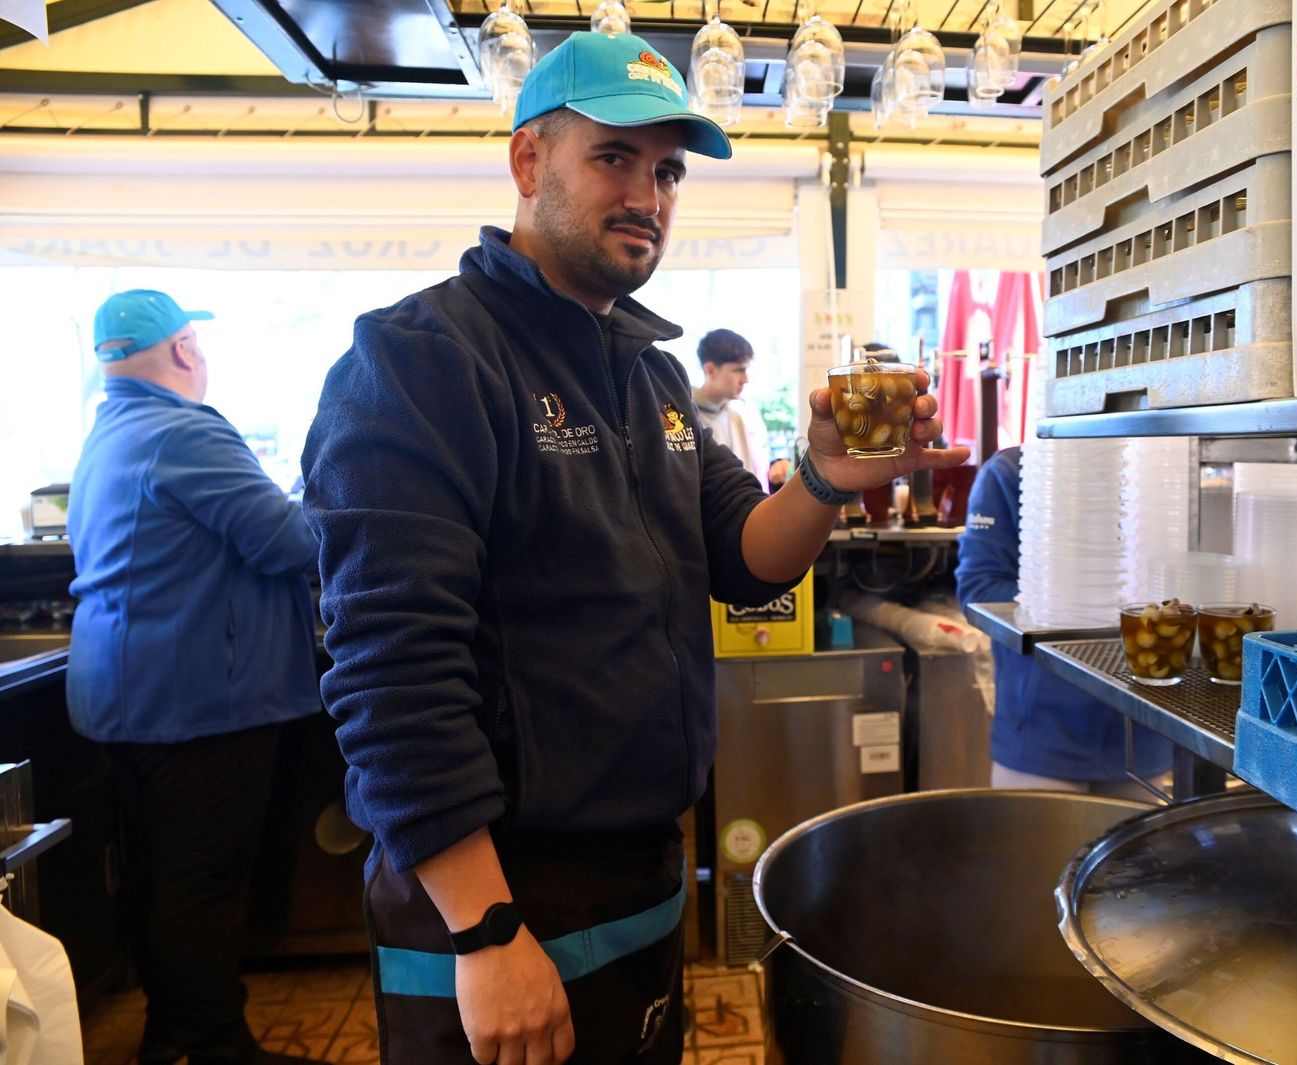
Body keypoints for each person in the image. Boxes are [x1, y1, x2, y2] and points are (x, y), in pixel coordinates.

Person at [299, 31, 965, 1065]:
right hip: (498, 891)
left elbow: (748, 554)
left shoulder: (647, 375)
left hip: (640, 866)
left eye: (665, 172)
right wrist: (483, 933)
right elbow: (390, 670)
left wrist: (829, 479)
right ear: (530, 164)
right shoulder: (423, 358)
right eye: (612, 157)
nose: (647, 194)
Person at [67, 290, 319, 1065]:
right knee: (203, 881)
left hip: (130, 690)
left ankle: (173, 1034)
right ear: (184, 351)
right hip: (200, 696)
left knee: (157, 874)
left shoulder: (113, 429)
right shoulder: (184, 430)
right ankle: (215, 1046)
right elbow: (291, 540)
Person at [956, 447, 1171, 795]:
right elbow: (979, 588)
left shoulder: (1157, 472)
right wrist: (1083, 599)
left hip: (1141, 733)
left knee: (1135, 850)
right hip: (1043, 734)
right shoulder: (1013, 471)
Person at [692, 328, 769, 487]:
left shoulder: (738, 416)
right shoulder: (687, 417)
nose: (746, 379)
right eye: (739, 370)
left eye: (746, 369)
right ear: (710, 370)